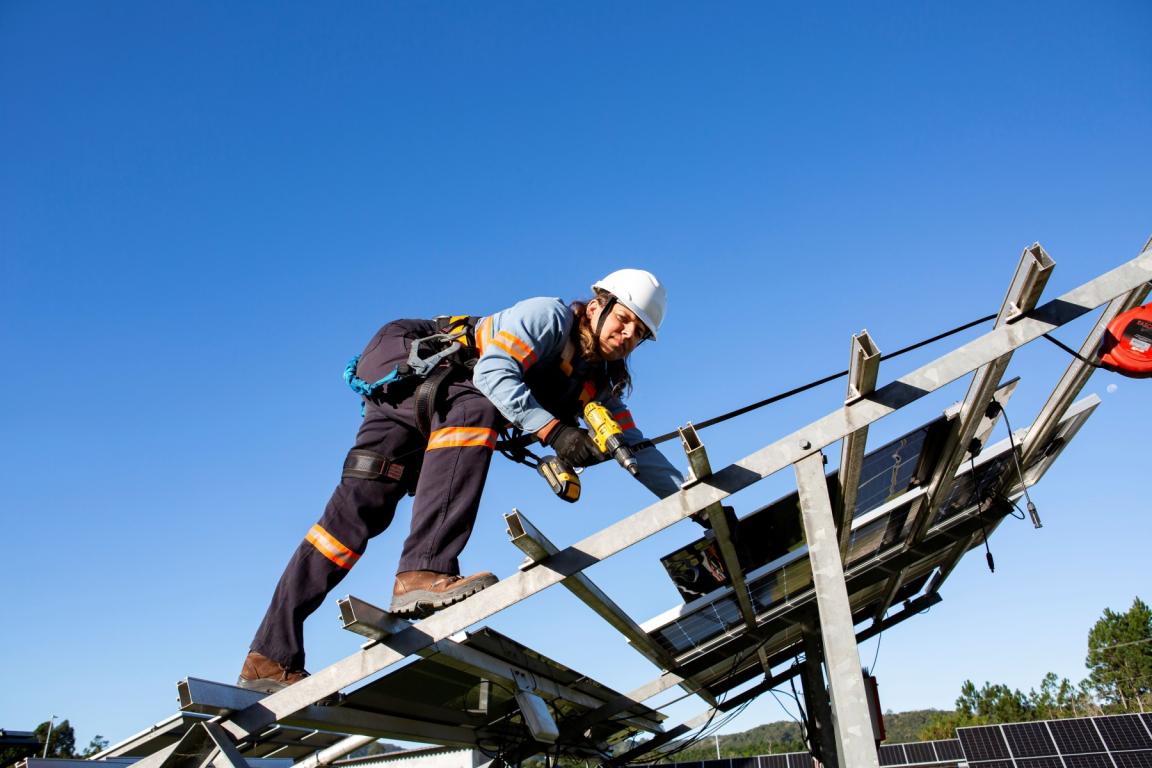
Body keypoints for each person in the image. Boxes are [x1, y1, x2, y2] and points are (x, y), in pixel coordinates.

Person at [238, 269, 684, 693]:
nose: (627, 335)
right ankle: (423, 569)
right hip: (407, 365)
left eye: (639, 333)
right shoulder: (546, 317)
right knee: (477, 408)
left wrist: (695, 500)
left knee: (346, 523)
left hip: (431, 400)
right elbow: (492, 374)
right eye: (623, 319)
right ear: (596, 306)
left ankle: (267, 659)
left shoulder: (597, 386)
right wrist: (555, 431)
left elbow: (637, 448)